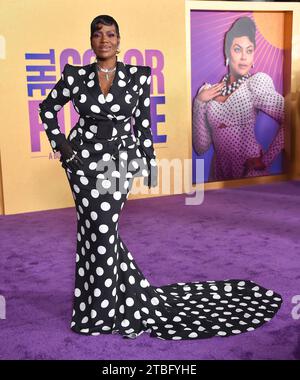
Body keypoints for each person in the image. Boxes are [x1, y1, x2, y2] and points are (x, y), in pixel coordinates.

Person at [39, 15, 282, 340]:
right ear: (91, 41)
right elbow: (47, 108)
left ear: (119, 39)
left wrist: (149, 163)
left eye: (110, 34)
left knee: (102, 230)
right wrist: (64, 148)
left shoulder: (136, 78)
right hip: (82, 164)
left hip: (119, 164)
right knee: (93, 230)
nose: (104, 40)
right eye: (98, 35)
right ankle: (96, 311)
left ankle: (99, 311)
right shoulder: (77, 76)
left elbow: (142, 124)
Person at [192, 16, 285, 181]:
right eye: (237, 49)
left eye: (249, 50)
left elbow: (293, 118)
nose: (244, 57)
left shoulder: (254, 84)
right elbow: (201, 147)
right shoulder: (208, 91)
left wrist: (266, 160)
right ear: (228, 52)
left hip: (249, 173)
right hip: (219, 175)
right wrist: (199, 103)